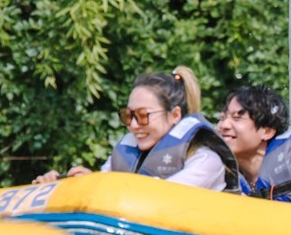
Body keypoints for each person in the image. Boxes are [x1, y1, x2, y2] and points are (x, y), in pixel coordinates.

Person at [34, 66, 239, 190]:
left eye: (142, 116)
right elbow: (103, 185)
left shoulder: (206, 161)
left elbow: (164, 197)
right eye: (128, 116)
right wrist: (71, 183)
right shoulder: (124, 155)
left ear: (175, 115)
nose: (133, 125)